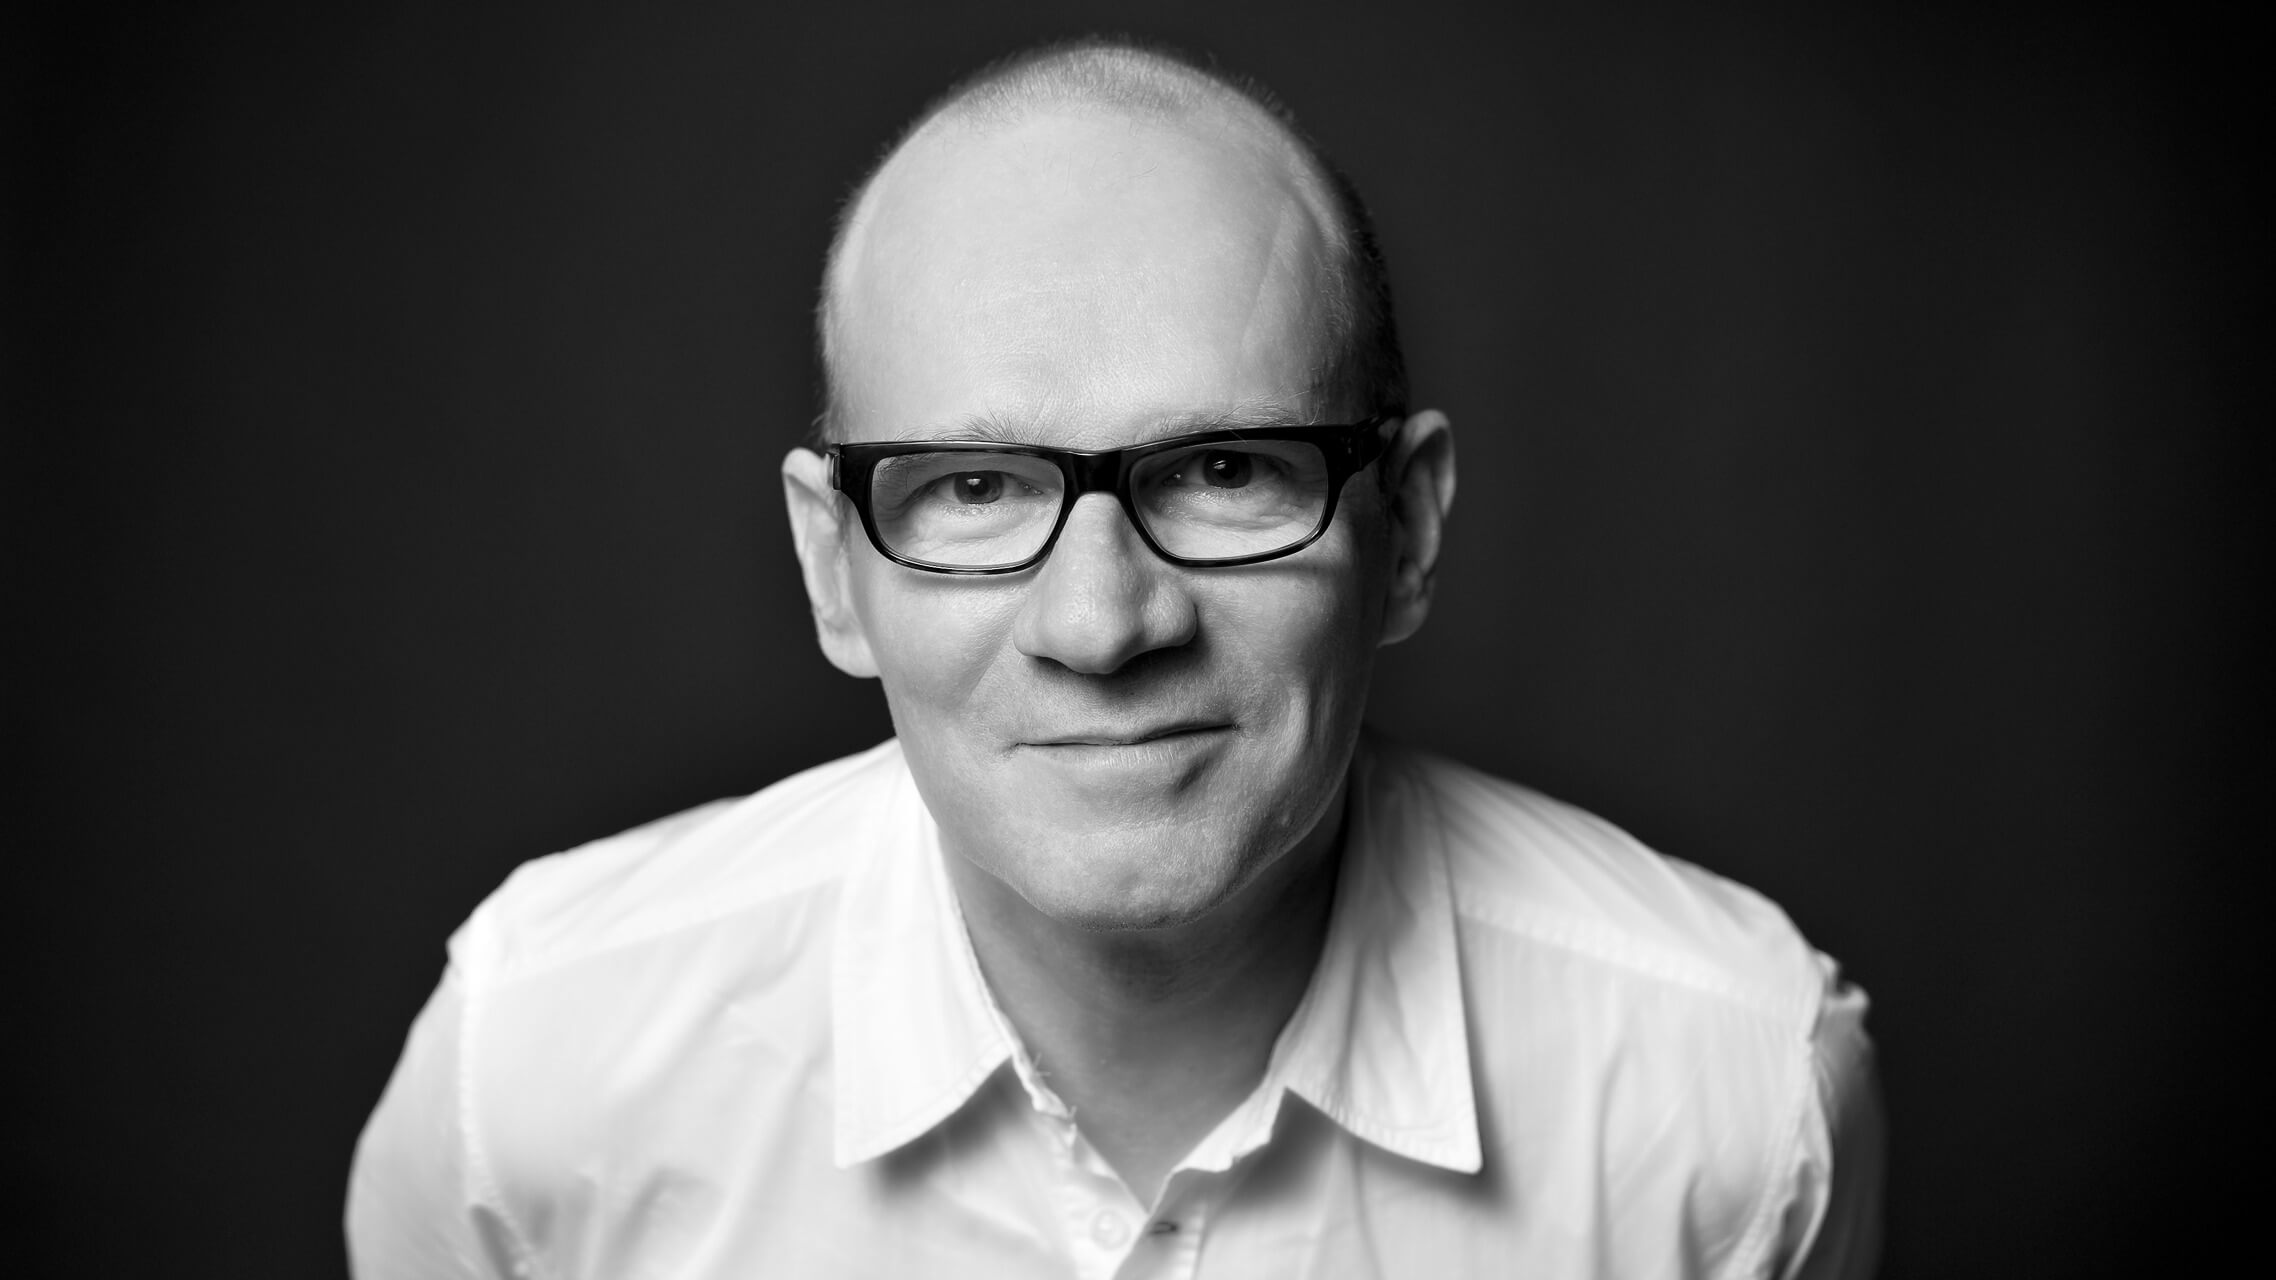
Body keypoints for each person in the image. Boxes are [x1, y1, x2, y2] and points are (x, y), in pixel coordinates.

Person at [347, 37, 1881, 1279]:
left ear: (1406, 529)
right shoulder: (532, 1070)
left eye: (1223, 471)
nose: (1101, 625)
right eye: (975, 489)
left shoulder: (1736, 1101)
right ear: (833, 570)